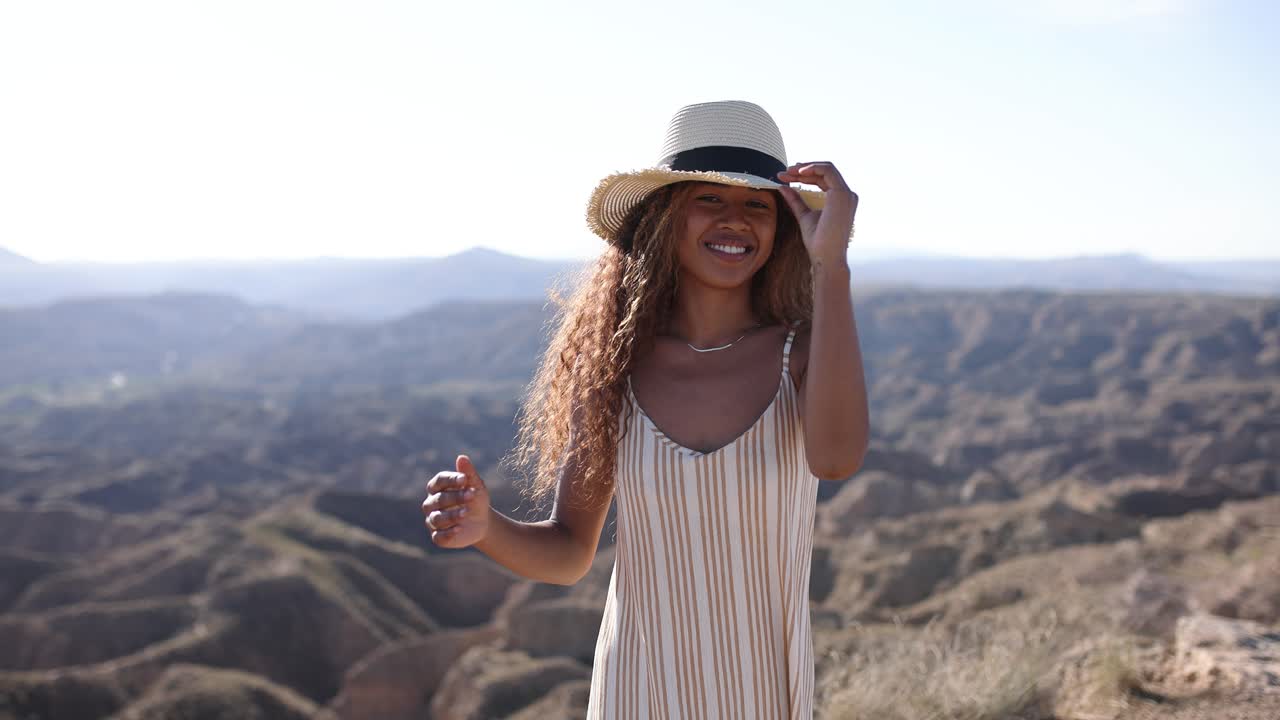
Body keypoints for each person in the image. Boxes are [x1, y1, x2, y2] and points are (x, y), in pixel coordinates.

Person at [421, 100, 869, 719]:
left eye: (757, 205)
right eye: (708, 199)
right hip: (638, 692)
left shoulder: (801, 355)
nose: (735, 220)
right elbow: (569, 552)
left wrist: (833, 267)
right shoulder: (612, 372)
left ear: (783, 227)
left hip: (764, 695)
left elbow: (837, 458)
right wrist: (485, 528)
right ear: (666, 215)